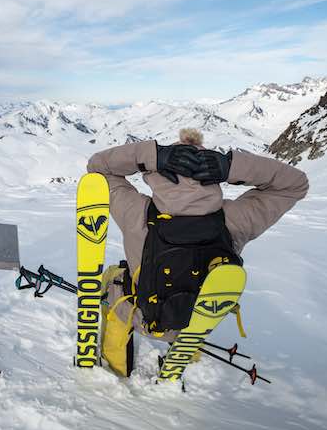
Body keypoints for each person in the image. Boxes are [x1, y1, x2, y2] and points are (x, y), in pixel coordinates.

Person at [86, 128, 309, 375]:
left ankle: (115, 366)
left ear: (159, 174)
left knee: (115, 277)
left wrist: (153, 155)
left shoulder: (136, 213)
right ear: (212, 177)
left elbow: (98, 168)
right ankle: (188, 358)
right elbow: (295, 185)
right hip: (195, 322)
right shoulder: (234, 221)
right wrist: (231, 167)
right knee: (204, 290)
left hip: (142, 317)